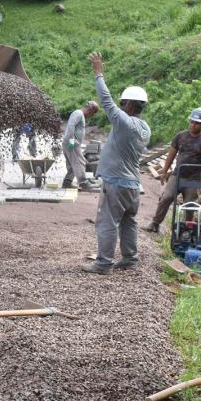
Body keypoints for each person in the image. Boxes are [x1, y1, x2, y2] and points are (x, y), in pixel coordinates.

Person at [81, 52, 151, 274]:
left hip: (117, 183)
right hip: (133, 185)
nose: (120, 106)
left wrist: (98, 74)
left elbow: (106, 102)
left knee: (107, 222)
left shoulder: (124, 123)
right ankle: (129, 258)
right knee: (129, 222)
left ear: (129, 104)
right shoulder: (144, 128)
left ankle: (103, 263)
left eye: (123, 103)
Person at [144, 108, 201, 232]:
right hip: (177, 175)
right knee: (166, 197)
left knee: (190, 205)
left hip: (194, 179)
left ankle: (187, 230)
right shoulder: (180, 136)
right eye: (192, 122)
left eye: (197, 123)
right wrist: (164, 172)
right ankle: (155, 224)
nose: (193, 125)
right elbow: (171, 155)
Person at [61, 101, 100, 190]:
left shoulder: (79, 114)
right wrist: (72, 142)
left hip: (69, 142)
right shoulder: (78, 114)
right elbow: (71, 127)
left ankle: (67, 183)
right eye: (92, 113)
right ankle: (83, 183)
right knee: (79, 162)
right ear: (90, 110)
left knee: (72, 164)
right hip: (72, 143)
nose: (90, 115)